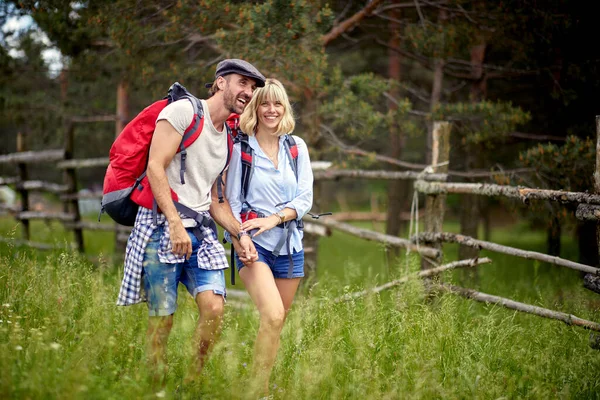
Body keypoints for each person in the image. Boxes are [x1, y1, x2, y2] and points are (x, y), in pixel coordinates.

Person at [116, 59, 263, 383]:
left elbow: (214, 200)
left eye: (252, 88)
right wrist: (173, 222)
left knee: (214, 309)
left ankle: (192, 380)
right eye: (242, 83)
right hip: (160, 226)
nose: (248, 92)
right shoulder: (183, 112)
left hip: (200, 231)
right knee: (163, 317)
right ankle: (155, 382)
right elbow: (156, 167)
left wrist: (240, 235)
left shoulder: (228, 136)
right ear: (221, 82)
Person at [225, 78, 313, 394]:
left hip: (290, 246)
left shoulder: (296, 147)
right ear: (255, 107)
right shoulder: (242, 149)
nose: (271, 109)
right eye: (264, 103)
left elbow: (305, 198)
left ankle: (257, 383)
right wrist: (240, 239)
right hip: (254, 246)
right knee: (273, 314)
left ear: (284, 108)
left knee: (275, 323)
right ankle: (259, 390)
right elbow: (231, 202)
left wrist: (275, 218)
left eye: (277, 103)